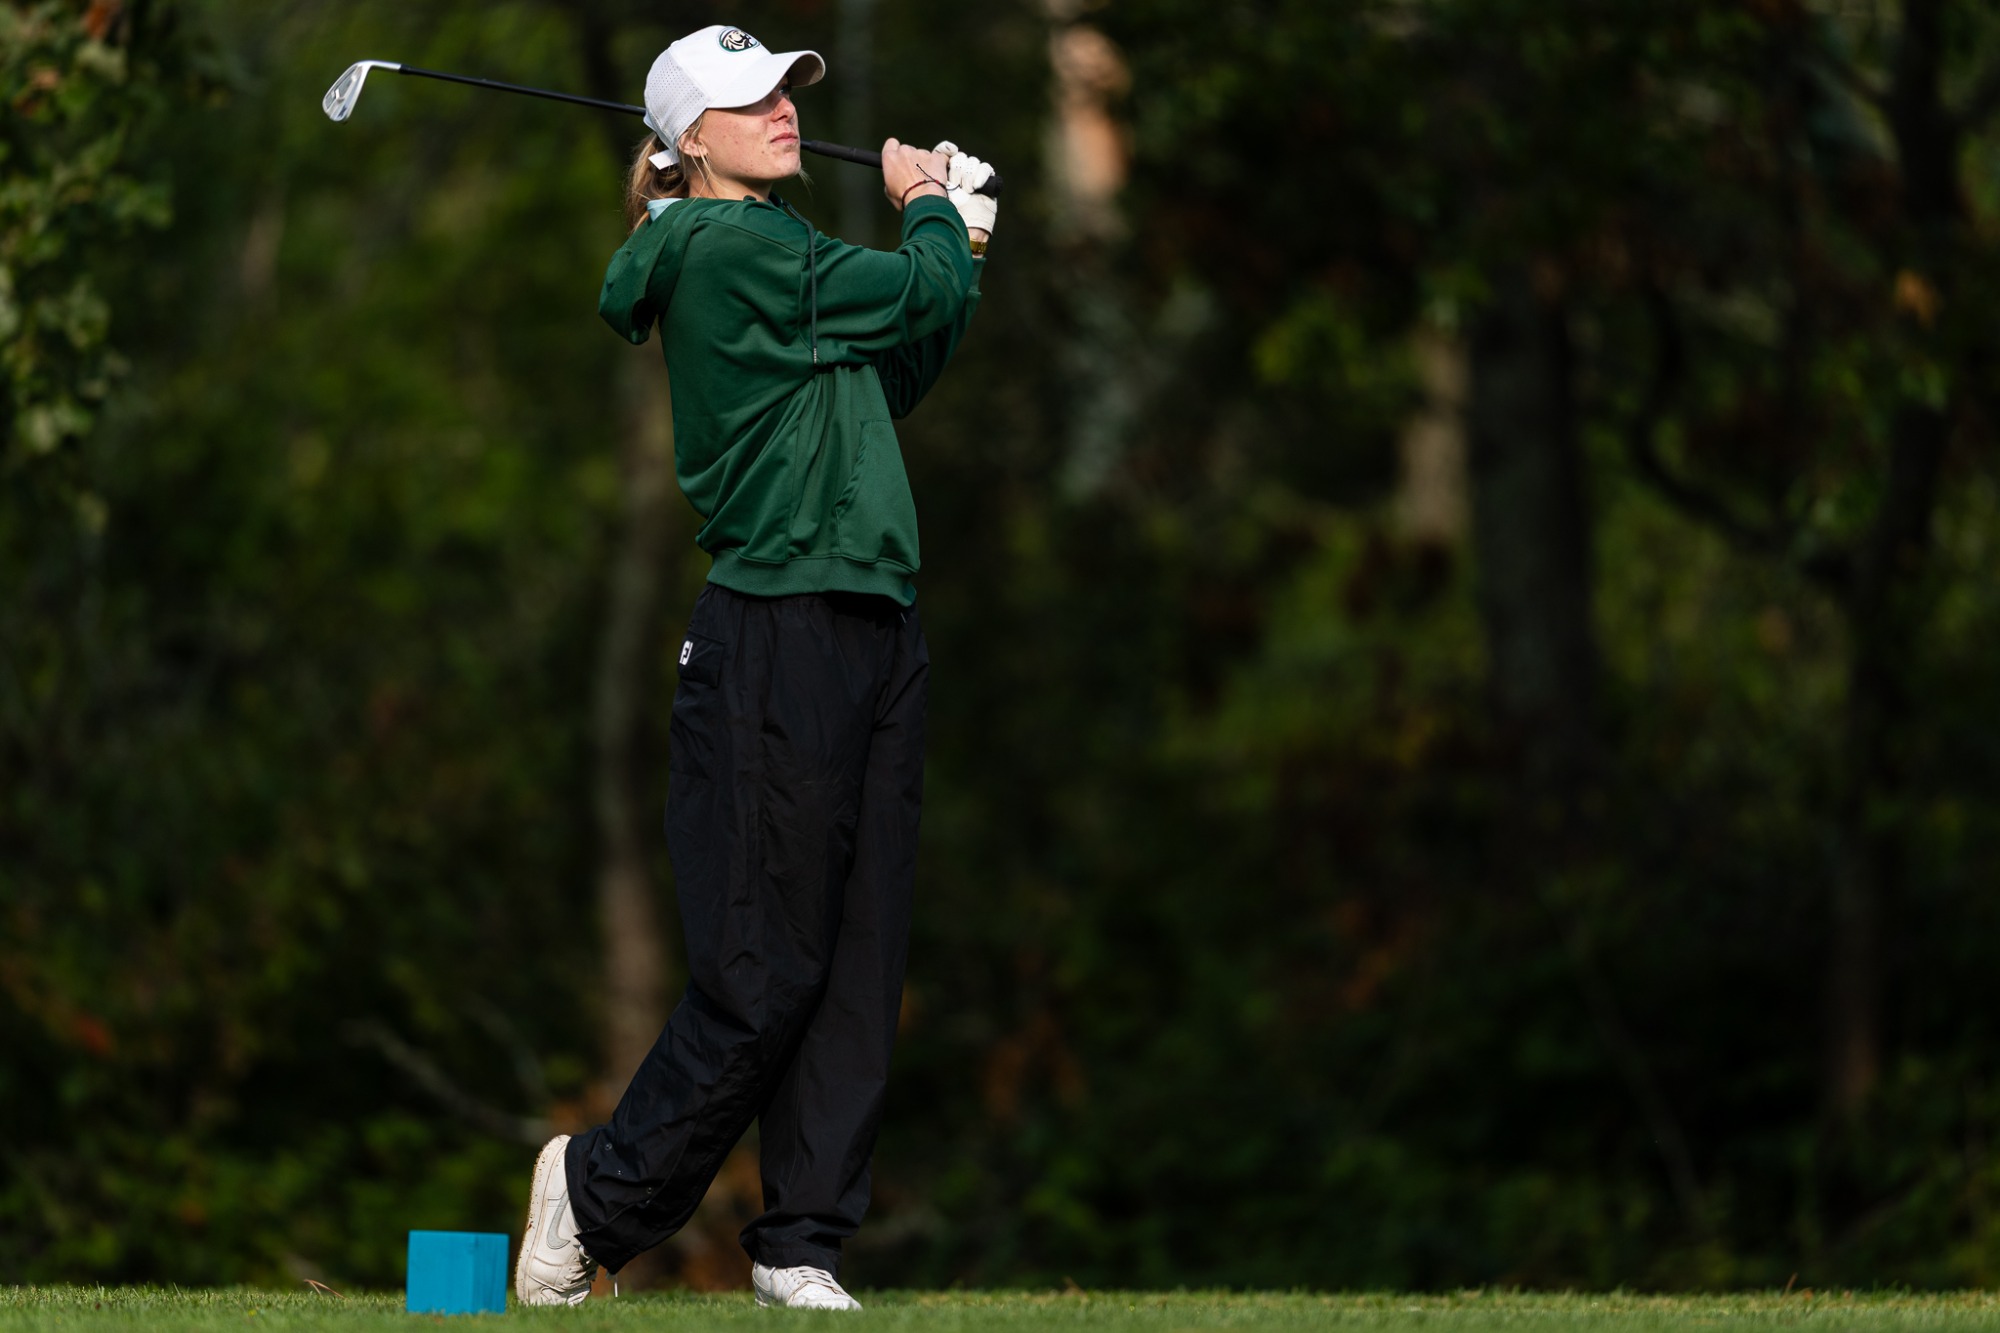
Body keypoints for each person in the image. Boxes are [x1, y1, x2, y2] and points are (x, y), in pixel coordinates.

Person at [509, 23, 995, 1313]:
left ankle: (801, 1243)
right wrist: (932, 210)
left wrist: (958, 245)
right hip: (775, 628)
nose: (783, 107)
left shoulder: (784, 252)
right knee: (766, 970)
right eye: (750, 97)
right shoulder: (726, 248)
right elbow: (913, 291)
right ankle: (596, 1192)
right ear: (687, 142)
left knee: (857, 959)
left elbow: (903, 363)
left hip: (875, 619)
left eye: (786, 87)